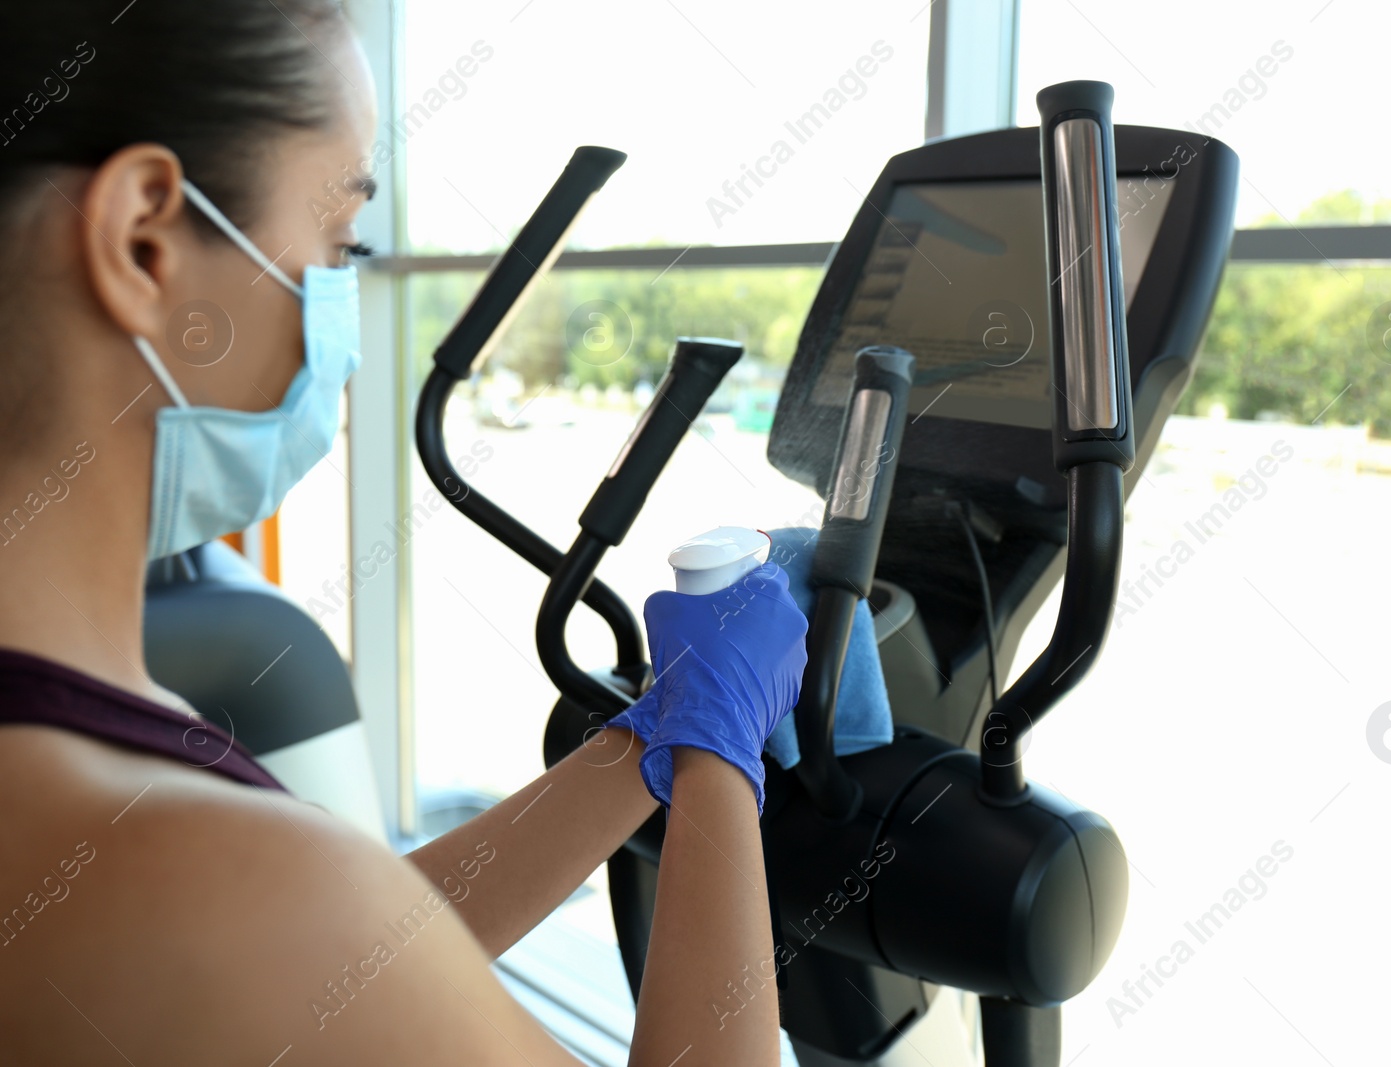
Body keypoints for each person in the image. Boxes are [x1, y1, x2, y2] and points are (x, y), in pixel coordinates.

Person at [0, 2, 808, 1064]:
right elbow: (290, 928)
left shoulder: (104, 802)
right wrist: (720, 758)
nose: (342, 313)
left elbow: (339, 976)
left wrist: (651, 738)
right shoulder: (185, 869)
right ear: (144, 240)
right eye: (340, 242)